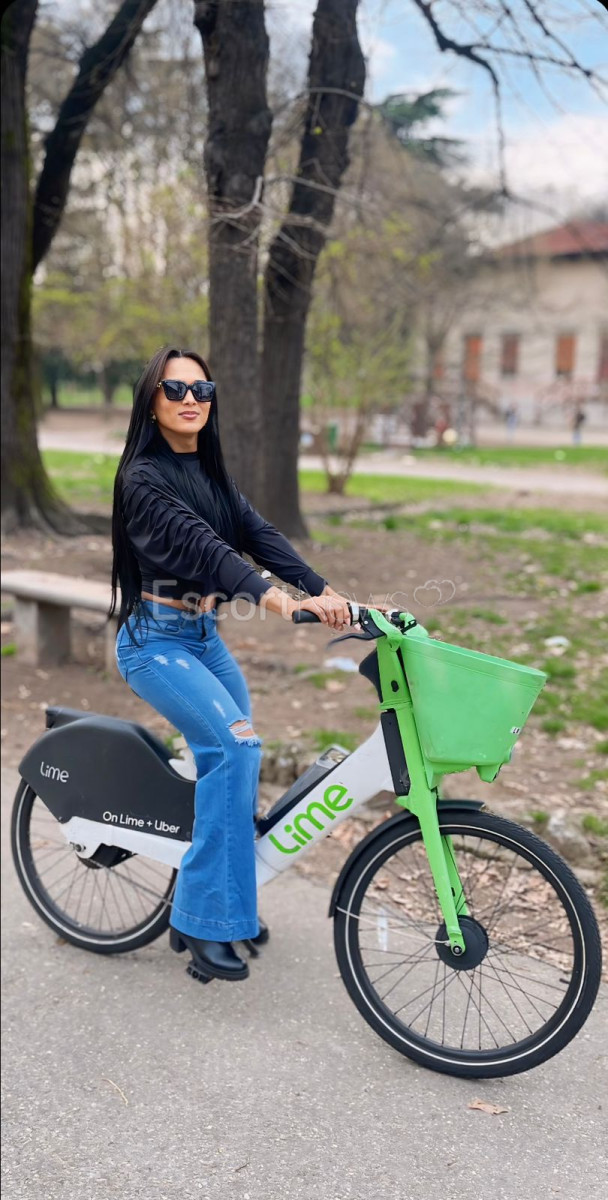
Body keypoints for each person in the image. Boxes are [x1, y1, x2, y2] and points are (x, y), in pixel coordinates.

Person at [109, 346, 353, 984]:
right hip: (154, 641)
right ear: (152, 401)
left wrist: (327, 593)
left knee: (237, 761)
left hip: (203, 636)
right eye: (175, 389)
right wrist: (281, 602)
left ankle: (230, 906)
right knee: (235, 748)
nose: (190, 400)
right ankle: (199, 918)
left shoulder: (211, 473)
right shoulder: (142, 479)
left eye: (201, 389)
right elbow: (207, 550)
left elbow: (257, 534)